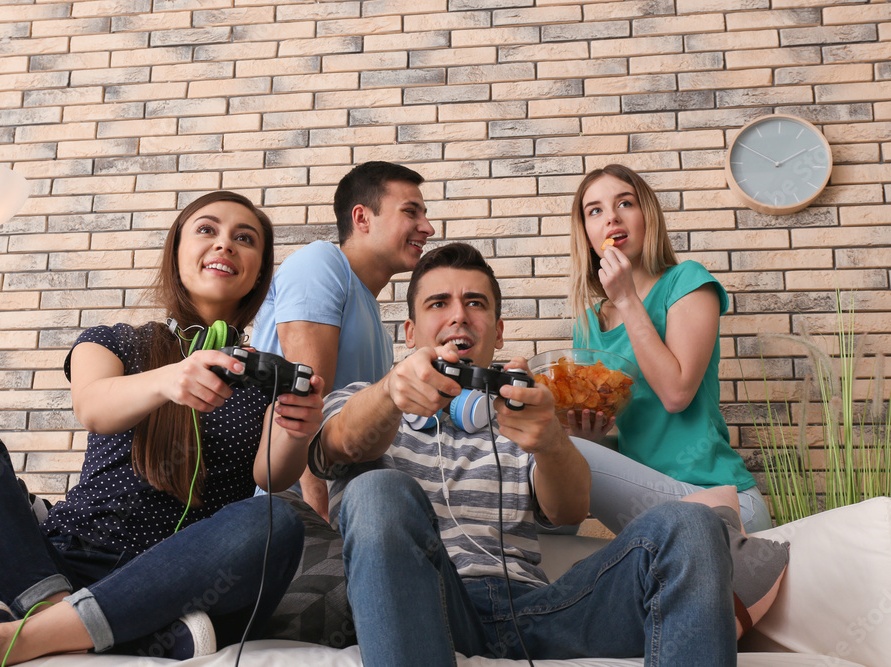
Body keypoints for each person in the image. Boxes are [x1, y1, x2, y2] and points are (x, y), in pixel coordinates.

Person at [0, 191, 326, 666]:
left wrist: (298, 429)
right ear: (176, 249)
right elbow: (94, 407)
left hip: (178, 584)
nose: (225, 245)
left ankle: (24, 635)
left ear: (259, 271)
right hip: (60, 563)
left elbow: (271, 478)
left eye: (244, 239)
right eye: (207, 230)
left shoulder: (266, 377)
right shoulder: (113, 341)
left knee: (275, 521)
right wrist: (169, 379)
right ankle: (57, 620)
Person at [294, 242, 737, 666]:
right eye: (437, 304)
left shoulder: (525, 413)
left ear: (499, 331)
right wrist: (391, 392)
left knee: (692, 522)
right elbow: (344, 442)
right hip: (425, 607)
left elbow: (569, 510)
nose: (459, 317)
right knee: (377, 490)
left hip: (533, 611)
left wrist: (550, 441)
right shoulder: (359, 401)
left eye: (475, 303)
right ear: (409, 333)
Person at [566, 164, 770, 533]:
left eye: (624, 203)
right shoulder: (588, 324)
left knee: (562, 451)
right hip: (650, 508)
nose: (611, 217)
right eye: (594, 210)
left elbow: (676, 394)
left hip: (718, 500)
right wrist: (588, 435)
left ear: (647, 215)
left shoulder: (688, 281)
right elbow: (623, 436)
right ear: (587, 234)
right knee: (555, 452)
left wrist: (627, 298)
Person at [251, 161, 433, 520]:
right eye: (411, 212)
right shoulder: (321, 263)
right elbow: (303, 402)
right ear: (362, 218)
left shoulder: (379, 331)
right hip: (293, 515)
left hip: (352, 513)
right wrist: (320, 515)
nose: (427, 228)